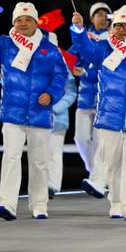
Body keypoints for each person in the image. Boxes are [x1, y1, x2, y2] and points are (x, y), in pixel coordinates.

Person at [0, 0, 68, 220]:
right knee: (11, 158)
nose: (23, 24)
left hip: (40, 113)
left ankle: (39, 205)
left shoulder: (49, 49)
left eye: (27, 19)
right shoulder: (5, 45)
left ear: (35, 22)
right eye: (18, 20)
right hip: (13, 112)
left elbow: (61, 76)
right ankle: (8, 204)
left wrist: (51, 94)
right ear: (13, 23)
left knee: (39, 162)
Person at [70, 5, 126, 220]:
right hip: (110, 114)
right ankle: (117, 203)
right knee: (112, 161)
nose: (121, 29)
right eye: (118, 25)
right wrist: (79, 30)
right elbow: (84, 49)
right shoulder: (103, 48)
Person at [73, 1, 111, 197]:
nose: (103, 18)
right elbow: (70, 57)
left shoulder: (112, 40)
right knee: (79, 138)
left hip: (103, 100)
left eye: (106, 15)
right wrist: (73, 67)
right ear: (92, 18)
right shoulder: (84, 38)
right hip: (84, 99)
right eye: (99, 14)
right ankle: (93, 169)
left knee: (98, 142)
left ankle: (97, 177)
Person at [48, 66, 76, 198]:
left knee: (54, 153)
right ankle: (40, 185)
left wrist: (55, 109)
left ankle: (52, 186)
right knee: (39, 155)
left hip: (58, 120)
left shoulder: (64, 68)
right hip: (37, 117)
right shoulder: (35, 62)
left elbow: (71, 93)